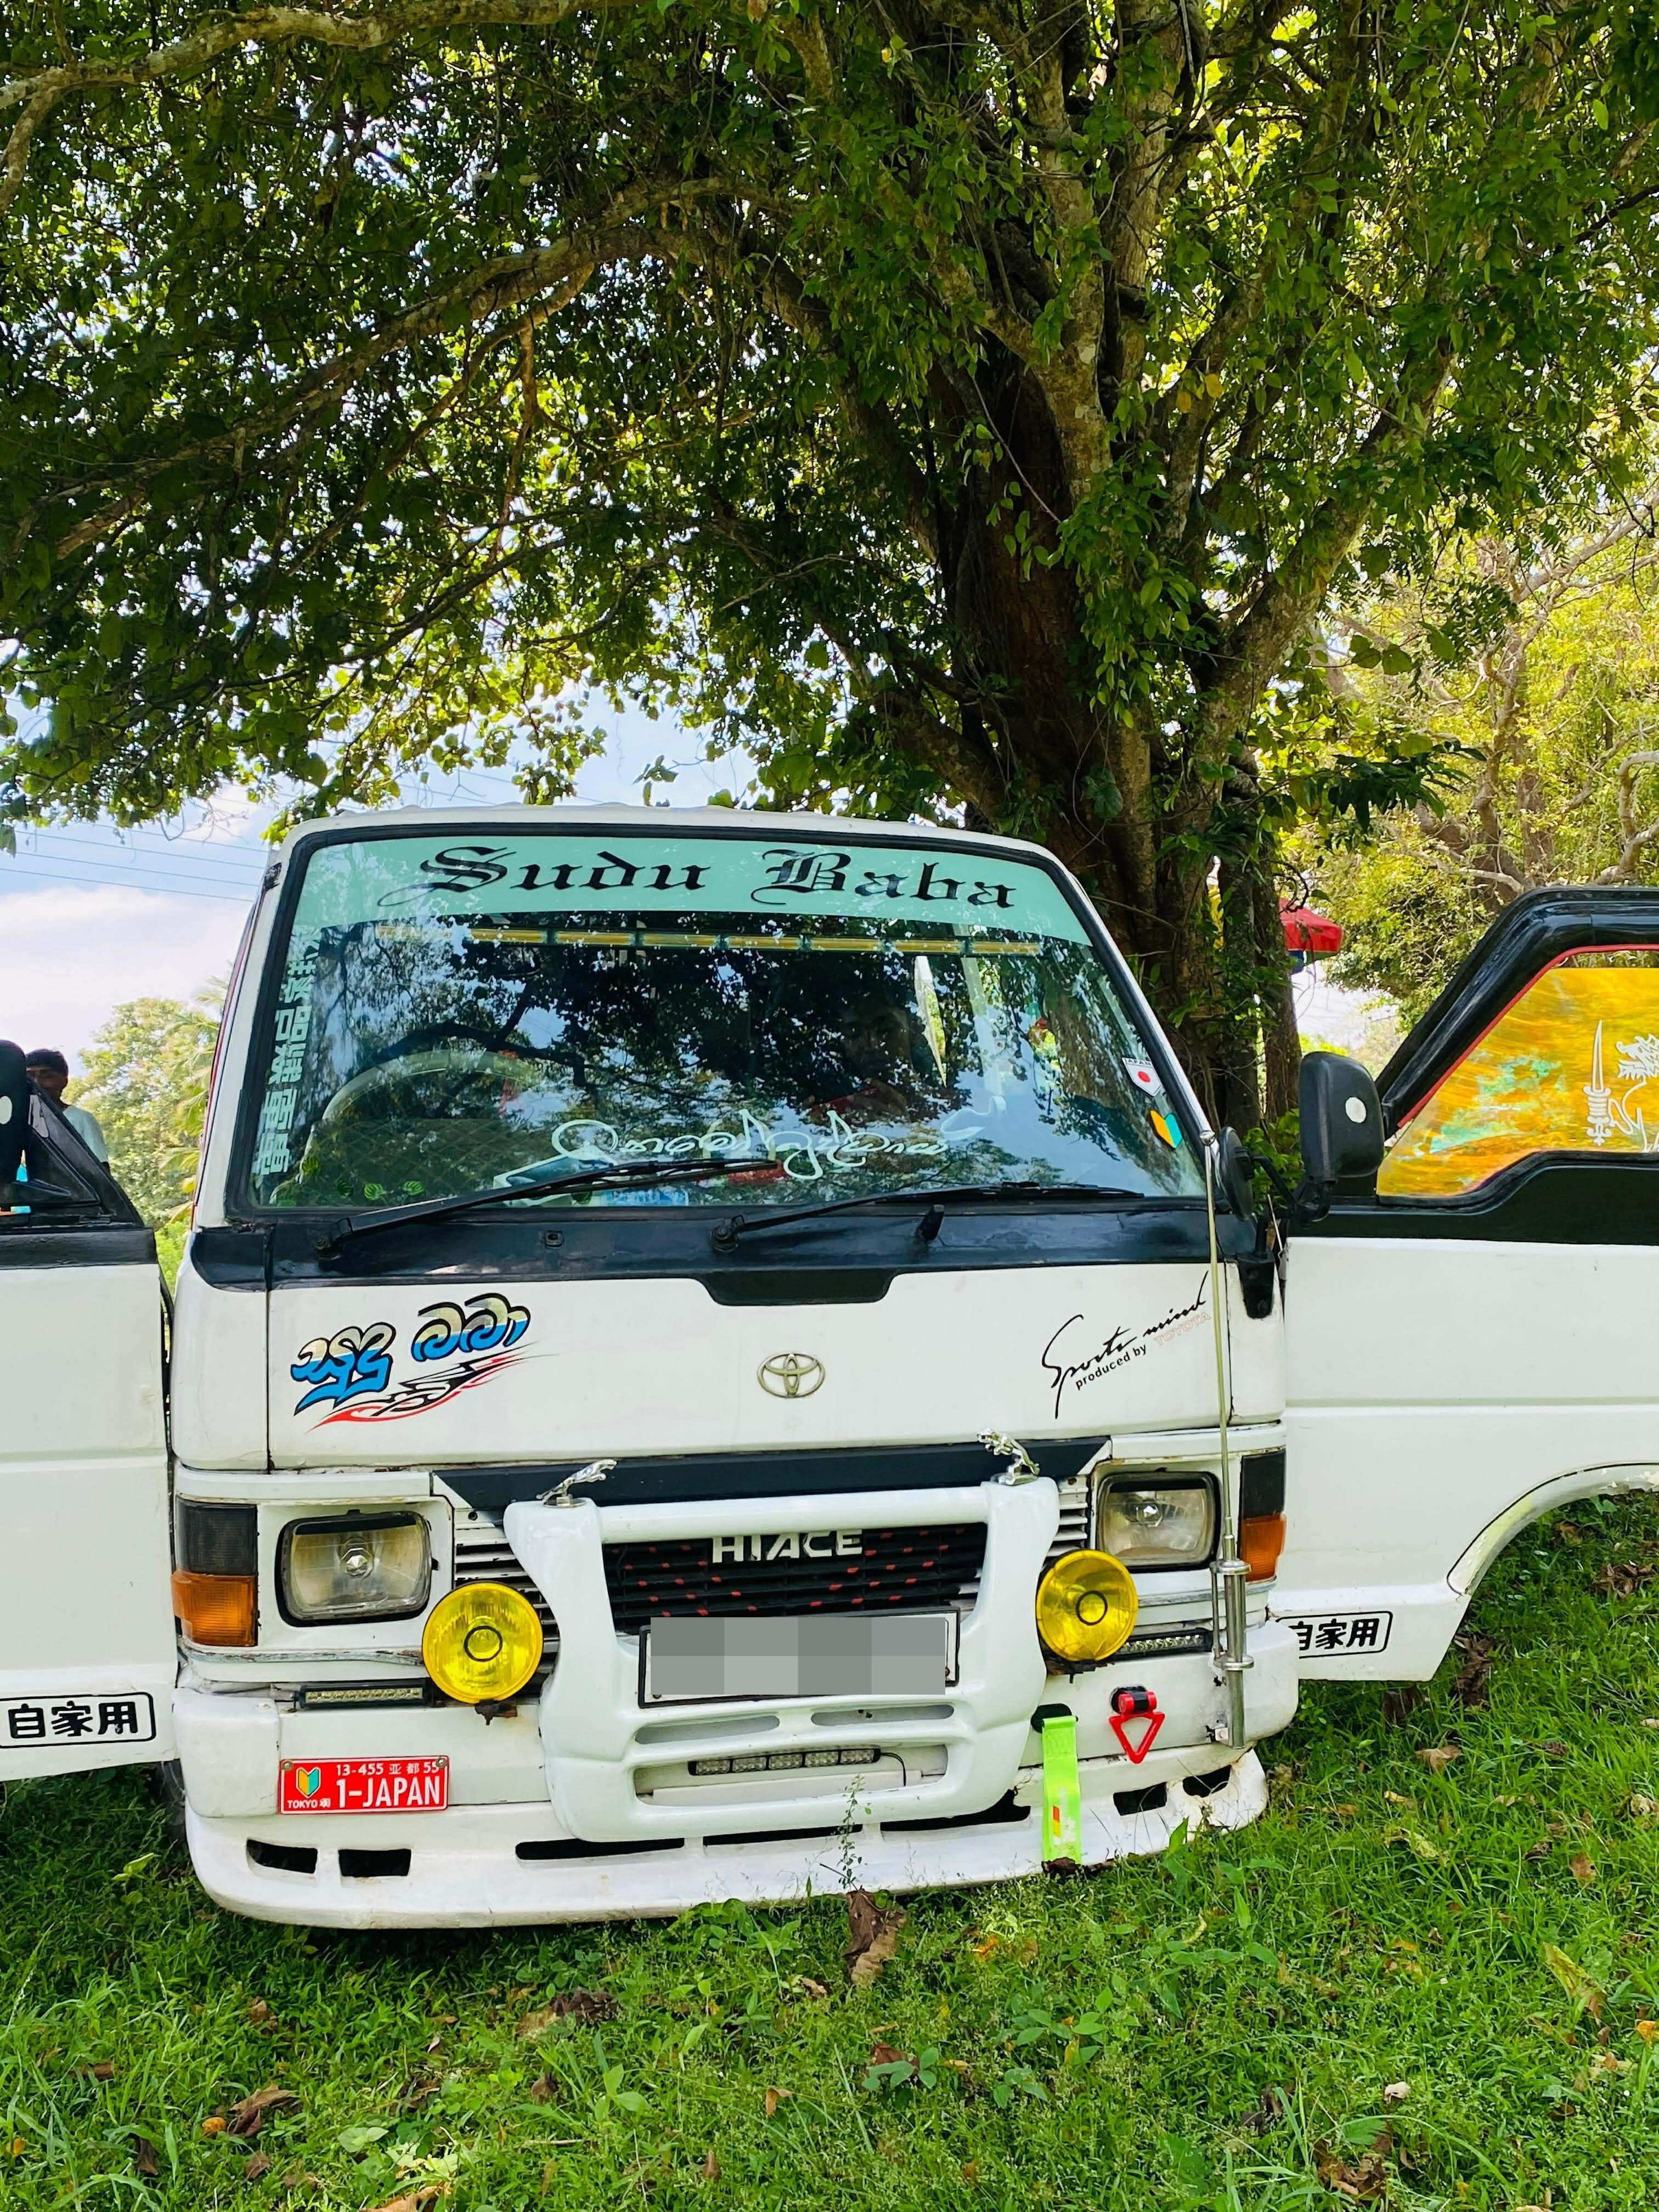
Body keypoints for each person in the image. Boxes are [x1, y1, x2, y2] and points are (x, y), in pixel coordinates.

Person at [24, 1048, 111, 1164]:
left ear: (64, 1081)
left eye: (47, 1076)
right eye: (30, 1078)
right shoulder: (21, 1120)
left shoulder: (81, 1119)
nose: (37, 1083)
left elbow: (100, 1171)